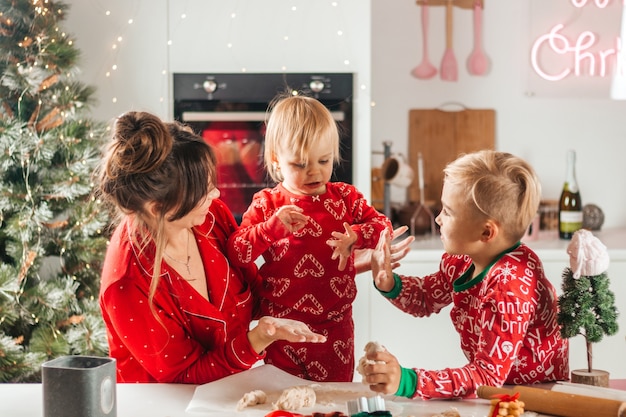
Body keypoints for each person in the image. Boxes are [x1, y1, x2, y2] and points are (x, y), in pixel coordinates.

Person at [95, 111, 327, 384]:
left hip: (226, 392)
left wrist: (325, 272)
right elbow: (185, 375)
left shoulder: (211, 216)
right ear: (159, 208)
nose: (216, 195)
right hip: (165, 407)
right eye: (203, 190)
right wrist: (259, 338)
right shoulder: (127, 283)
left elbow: (254, 292)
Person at [363, 150, 569, 399]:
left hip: (536, 396)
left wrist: (409, 381)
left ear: (486, 232)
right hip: (496, 388)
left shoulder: (510, 287)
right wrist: (388, 282)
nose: (438, 218)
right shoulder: (462, 259)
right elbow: (427, 297)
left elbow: (486, 377)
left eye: (448, 212)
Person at [226, 94, 393, 382]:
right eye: (300, 164)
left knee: (333, 403)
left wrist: (357, 236)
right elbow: (238, 252)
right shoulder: (268, 204)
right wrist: (270, 229)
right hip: (281, 330)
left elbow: (383, 227)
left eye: (323, 160)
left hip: (335, 330)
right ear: (277, 159)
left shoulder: (345, 198)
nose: (314, 171)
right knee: (285, 402)